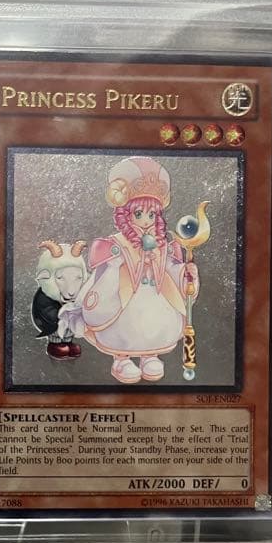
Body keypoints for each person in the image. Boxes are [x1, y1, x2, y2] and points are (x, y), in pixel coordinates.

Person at [60, 157, 198, 384]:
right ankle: (121, 359)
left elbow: (171, 271)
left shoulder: (163, 244)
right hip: (124, 295)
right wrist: (117, 264)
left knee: (154, 324)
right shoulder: (116, 243)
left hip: (155, 296)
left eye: (151, 215)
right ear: (126, 214)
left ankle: (149, 356)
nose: (146, 221)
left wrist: (185, 273)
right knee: (123, 326)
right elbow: (106, 273)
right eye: (139, 214)